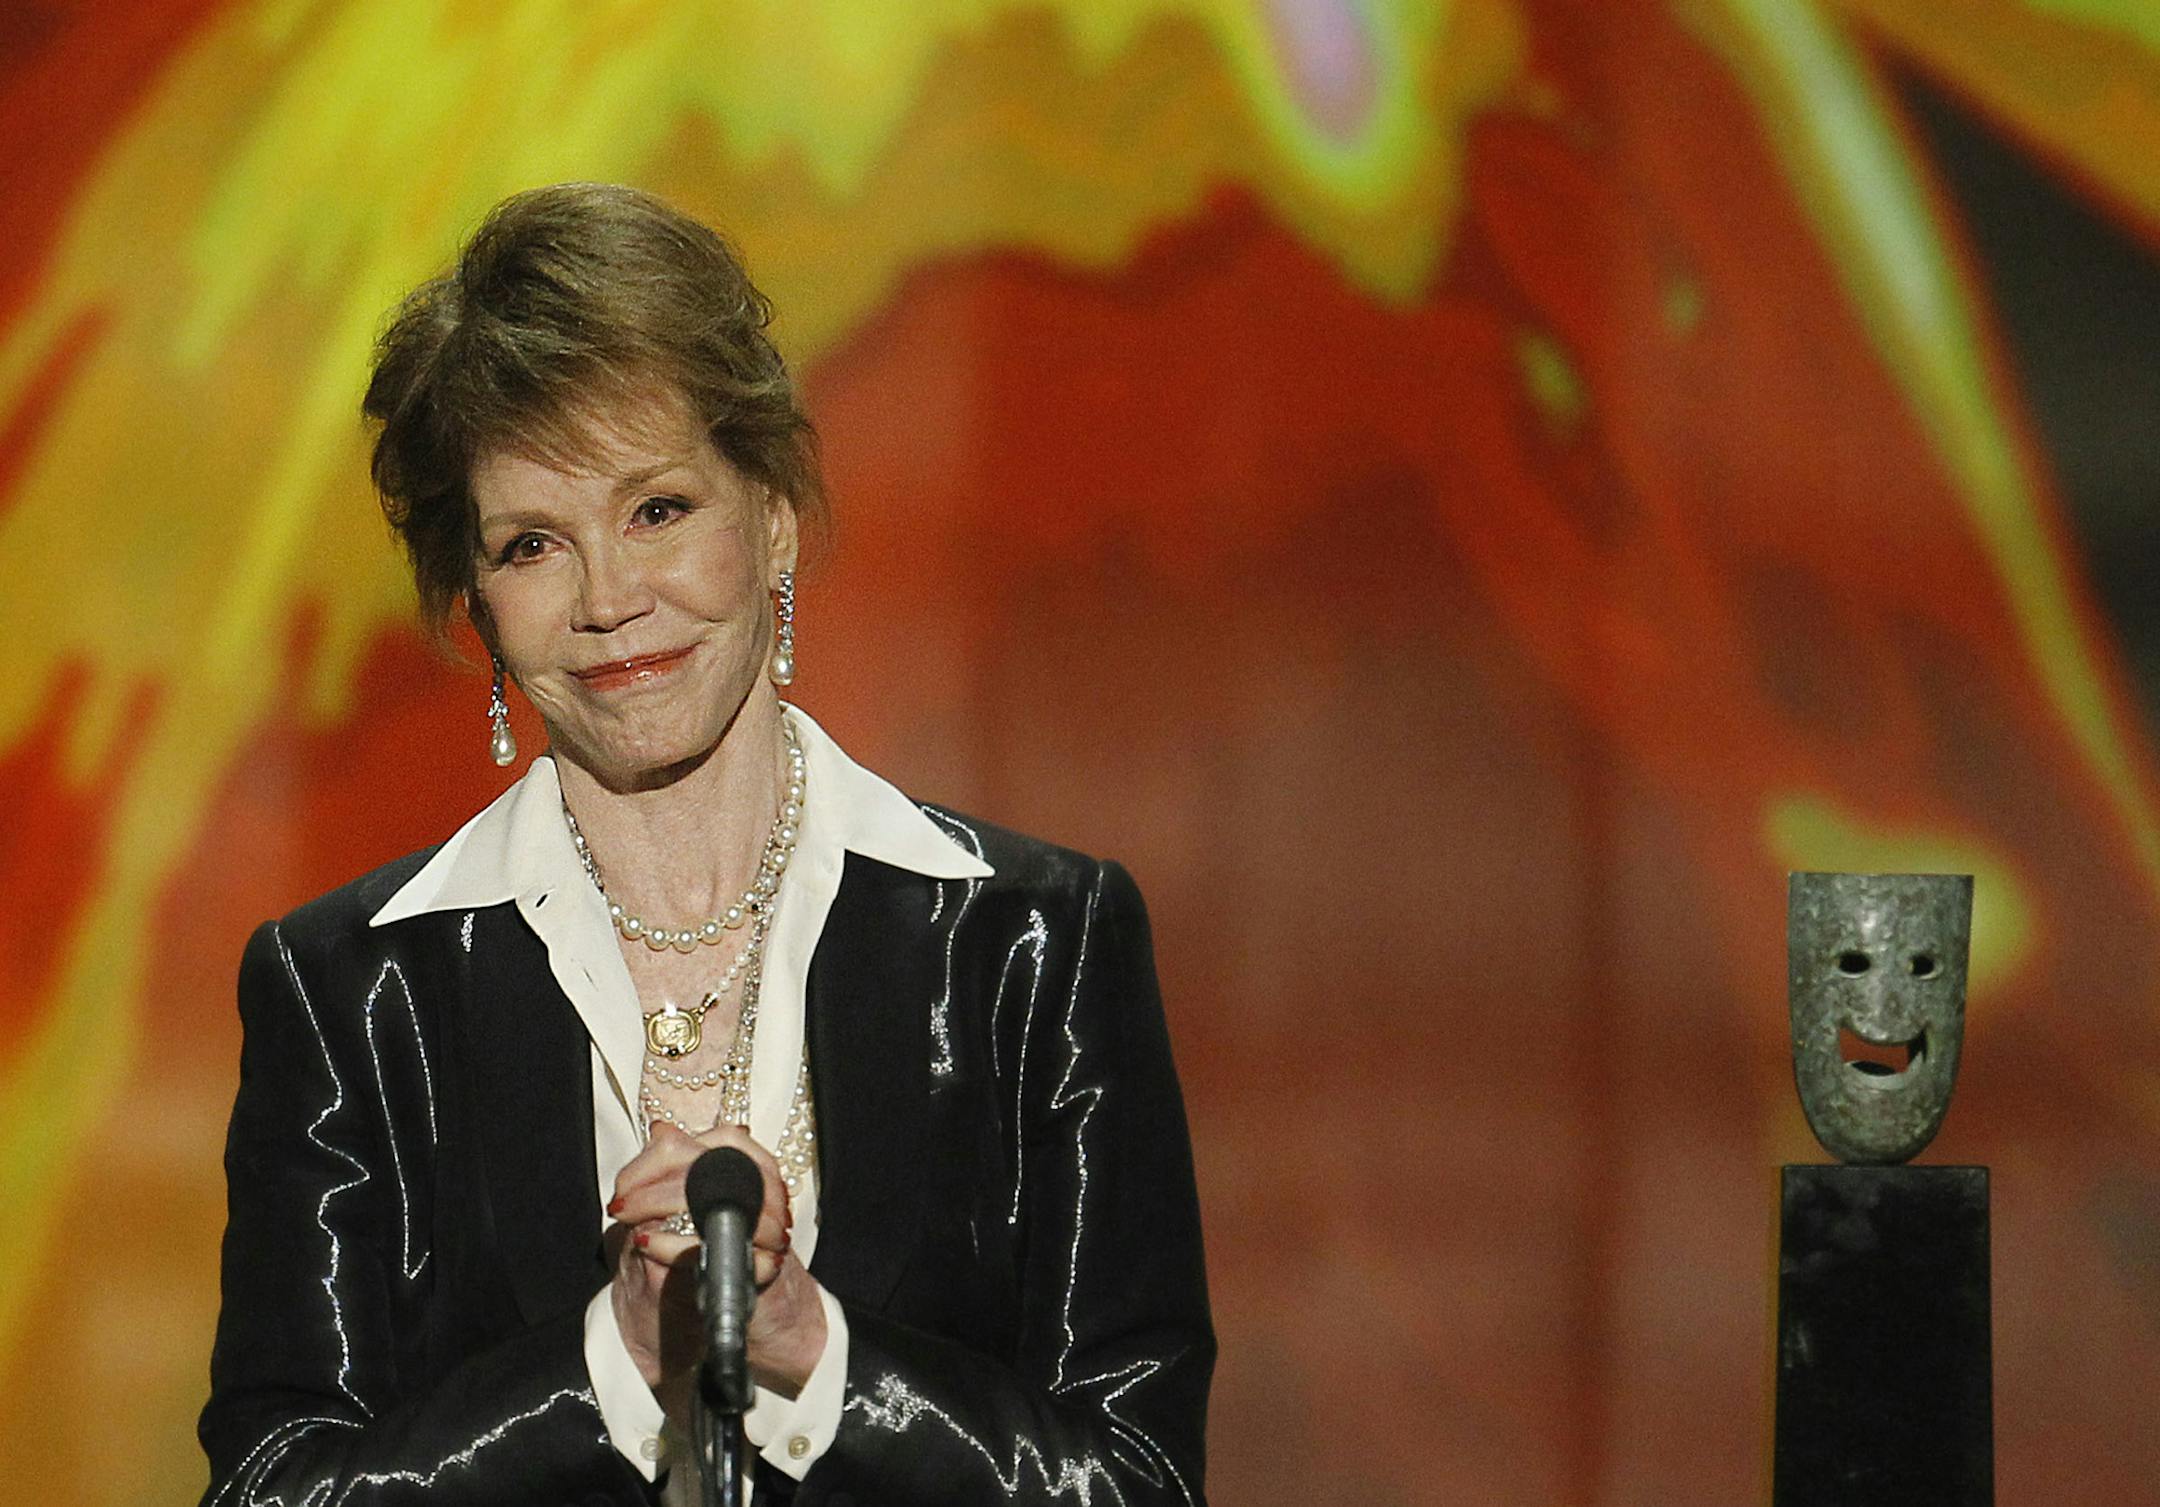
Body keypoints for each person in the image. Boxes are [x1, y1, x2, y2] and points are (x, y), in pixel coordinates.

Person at [197, 183, 1213, 1506]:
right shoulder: (352, 992)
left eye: (659, 510)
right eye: (532, 544)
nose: (610, 599)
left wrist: (814, 1353)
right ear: (478, 606)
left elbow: (1139, 1480)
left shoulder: (1032, 945)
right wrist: (613, 1362)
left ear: (774, 513)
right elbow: (273, 1489)